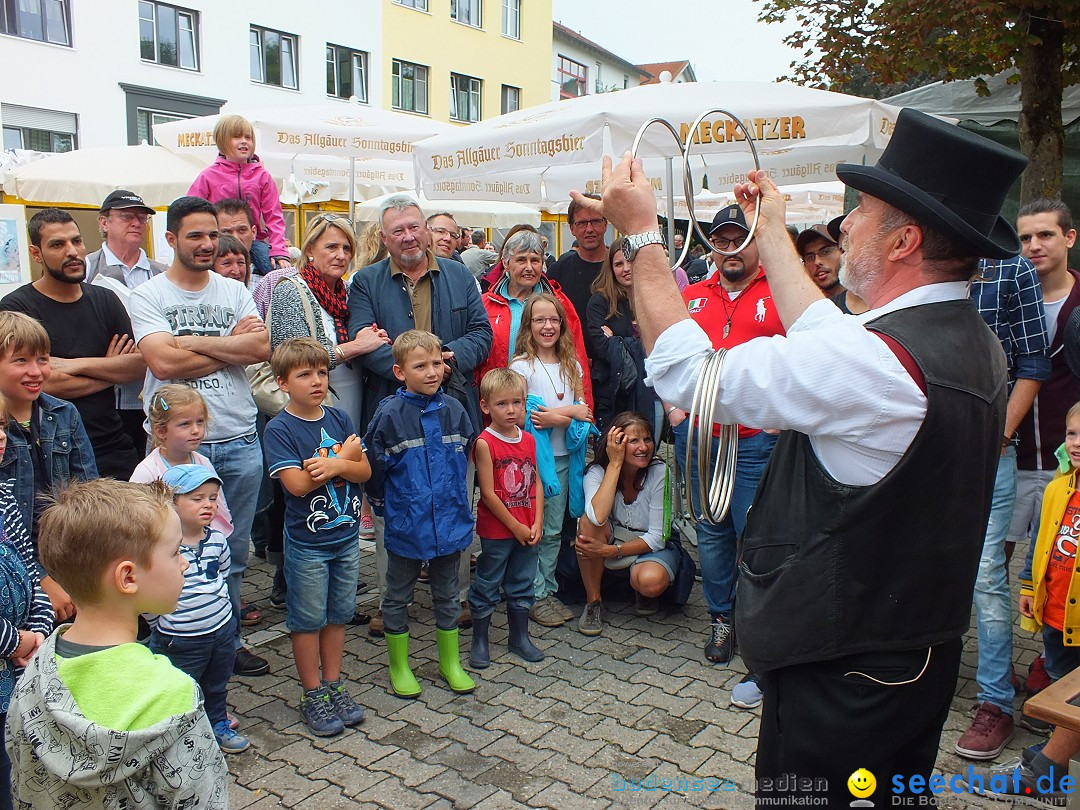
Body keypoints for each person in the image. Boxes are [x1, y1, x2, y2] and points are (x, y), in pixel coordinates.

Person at [573, 108, 1023, 805]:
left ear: (904, 240)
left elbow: (690, 373)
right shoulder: (966, 335)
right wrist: (773, 233)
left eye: (863, 212)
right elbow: (822, 327)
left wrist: (641, 236)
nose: (845, 226)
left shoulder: (875, 362)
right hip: (910, 655)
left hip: (841, 669)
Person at [8, 479, 229, 808]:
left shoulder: (32, 680)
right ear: (128, 577)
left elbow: (23, 787)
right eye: (174, 552)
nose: (183, 562)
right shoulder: (173, 694)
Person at [129, 195, 271, 678]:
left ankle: (226, 641)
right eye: (196, 235)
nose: (208, 243)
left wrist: (185, 341)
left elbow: (261, 347)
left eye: (213, 234)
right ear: (171, 239)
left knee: (231, 551)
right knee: (168, 549)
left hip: (237, 437)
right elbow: (162, 364)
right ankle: (174, 643)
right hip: (175, 452)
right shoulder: (149, 295)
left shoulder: (233, 290)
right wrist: (228, 347)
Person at [347, 195, 492, 634]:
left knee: (454, 500)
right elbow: (363, 342)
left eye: (414, 227)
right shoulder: (366, 282)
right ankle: (395, 602)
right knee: (394, 506)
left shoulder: (460, 274)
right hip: (394, 412)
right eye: (398, 231)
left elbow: (481, 334)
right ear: (384, 238)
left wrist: (446, 360)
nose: (408, 236)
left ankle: (460, 596)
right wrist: (410, 372)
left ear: (426, 230)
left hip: (452, 410)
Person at [670, 203, 784, 692]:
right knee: (711, 532)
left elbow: (800, 359)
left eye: (741, 237)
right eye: (723, 238)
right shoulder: (691, 296)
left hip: (757, 440)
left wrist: (782, 419)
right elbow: (666, 352)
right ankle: (722, 618)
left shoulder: (780, 293)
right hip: (700, 438)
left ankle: (759, 630)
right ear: (711, 244)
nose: (731, 247)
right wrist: (674, 408)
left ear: (757, 242)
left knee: (756, 537)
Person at [958, 247, 1050, 758]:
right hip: (925, 451)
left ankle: (995, 702)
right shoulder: (920, 258)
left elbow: (1034, 365)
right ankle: (923, 674)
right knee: (925, 566)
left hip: (990, 451)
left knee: (986, 574)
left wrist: (997, 437)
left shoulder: (1012, 267)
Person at [263, 338, 370, 736]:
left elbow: (365, 473)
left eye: (322, 372)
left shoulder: (339, 419)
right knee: (308, 620)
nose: (316, 381)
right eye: (304, 374)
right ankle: (311, 693)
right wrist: (343, 459)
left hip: (346, 538)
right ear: (282, 382)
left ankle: (334, 684)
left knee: (339, 615)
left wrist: (334, 463)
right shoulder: (280, 429)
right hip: (308, 544)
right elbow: (296, 486)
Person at [363, 330, 476, 698]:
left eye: (437, 363)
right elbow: (374, 469)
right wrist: (384, 508)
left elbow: (467, 457)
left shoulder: (455, 410)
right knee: (397, 596)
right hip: (407, 522)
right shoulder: (389, 414)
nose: (432, 372)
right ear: (399, 372)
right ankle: (400, 665)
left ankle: (450, 662)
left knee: (447, 593)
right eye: (420, 365)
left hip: (449, 521)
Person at [1, 209, 144, 479]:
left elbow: (138, 366)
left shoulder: (106, 299)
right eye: (58, 244)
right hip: (50, 451)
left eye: (76, 241)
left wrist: (73, 365)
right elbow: (44, 383)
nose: (73, 252)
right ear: (36, 253)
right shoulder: (16, 308)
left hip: (112, 447)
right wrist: (110, 372)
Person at [0, 311, 96, 623]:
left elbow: (88, 492)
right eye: (21, 361)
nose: (36, 371)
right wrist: (41, 579)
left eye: (42, 359)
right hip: (15, 569)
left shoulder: (63, 412)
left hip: (67, 558)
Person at [510, 294, 593, 630]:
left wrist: (564, 415)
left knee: (555, 531)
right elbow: (524, 416)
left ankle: (547, 589)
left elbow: (584, 413)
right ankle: (532, 593)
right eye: (539, 320)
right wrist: (569, 413)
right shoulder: (521, 367)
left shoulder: (571, 365)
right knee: (535, 528)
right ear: (528, 326)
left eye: (554, 320)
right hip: (531, 464)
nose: (548, 326)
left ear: (562, 324)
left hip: (564, 460)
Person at [153, 464, 248, 754]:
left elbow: (222, 575)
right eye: (197, 499)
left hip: (220, 631)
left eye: (213, 498)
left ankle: (217, 722)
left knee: (217, 683)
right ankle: (182, 733)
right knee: (182, 687)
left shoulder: (217, 540)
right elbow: (151, 598)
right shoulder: (161, 547)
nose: (208, 505)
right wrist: (165, 622)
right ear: (171, 502)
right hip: (180, 638)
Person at [269, 213, 390, 426]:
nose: (341, 255)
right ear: (309, 250)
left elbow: (363, 337)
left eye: (346, 248)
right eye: (331, 247)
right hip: (310, 409)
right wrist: (356, 347)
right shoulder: (291, 290)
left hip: (352, 398)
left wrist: (373, 336)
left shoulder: (348, 292)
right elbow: (293, 360)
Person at [575, 412, 681, 634]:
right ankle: (593, 602)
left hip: (649, 545)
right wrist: (614, 465)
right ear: (616, 443)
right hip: (614, 534)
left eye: (648, 439)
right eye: (633, 441)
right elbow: (596, 518)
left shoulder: (660, 471)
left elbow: (657, 537)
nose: (644, 447)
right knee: (587, 524)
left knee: (650, 581)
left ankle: (642, 592)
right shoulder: (596, 471)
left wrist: (610, 550)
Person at [468, 368, 544, 669]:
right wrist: (515, 526)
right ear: (486, 406)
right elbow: (487, 493)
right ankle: (480, 640)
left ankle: (519, 637)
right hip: (499, 530)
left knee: (523, 580)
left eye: (517, 402)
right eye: (502, 404)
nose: (511, 410)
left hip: (528, 528)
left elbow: (536, 481)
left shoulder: (528, 439)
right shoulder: (485, 442)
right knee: (488, 581)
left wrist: (537, 521)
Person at [84, 190, 167, 455]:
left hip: (152, 393)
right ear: (104, 223)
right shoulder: (86, 268)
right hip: (102, 397)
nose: (136, 223)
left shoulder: (161, 273)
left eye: (142, 218)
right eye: (126, 216)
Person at [0, 396, 52, 810]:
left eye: (2, 428)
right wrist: (11, 641)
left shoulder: (4, 500)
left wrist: (37, 632)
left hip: (17, 675)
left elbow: (32, 573)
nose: (1, 439)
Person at [476, 228, 593, 412]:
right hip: (498, 408)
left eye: (535, 260)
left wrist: (587, 413)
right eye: (521, 260)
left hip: (553, 407)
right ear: (506, 263)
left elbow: (577, 357)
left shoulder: (559, 303)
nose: (529, 268)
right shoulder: (486, 304)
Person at [187, 115, 290, 276]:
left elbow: (274, 216)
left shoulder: (262, 176)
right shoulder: (209, 176)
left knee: (277, 272)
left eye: (248, 137)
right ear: (222, 141)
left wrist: (278, 249)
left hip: (253, 241)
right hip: (218, 240)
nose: (244, 141)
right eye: (237, 137)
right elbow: (191, 210)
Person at [130, 384, 234, 539]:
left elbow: (218, 505)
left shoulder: (203, 463)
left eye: (200, 421)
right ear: (161, 431)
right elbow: (135, 517)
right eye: (185, 424)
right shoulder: (147, 470)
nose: (195, 430)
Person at [585, 238, 654, 431]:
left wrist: (618, 340)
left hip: (651, 391)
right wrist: (636, 343)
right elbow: (603, 347)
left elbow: (662, 345)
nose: (626, 268)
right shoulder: (600, 302)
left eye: (630, 261)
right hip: (614, 396)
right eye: (618, 264)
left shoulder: (653, 300)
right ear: (610, 268)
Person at [548, 194, 607, 324]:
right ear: (572, 228)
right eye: (582, 223)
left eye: (596, 221)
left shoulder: (621, 268)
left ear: (605, 224)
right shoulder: (558, 271)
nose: (589, 229)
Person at [795, 223, 843, 297]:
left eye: (825, 252)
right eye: (810, 257)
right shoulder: (804, 304)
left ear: (842, 252)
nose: (817, 262)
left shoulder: (864, 300)